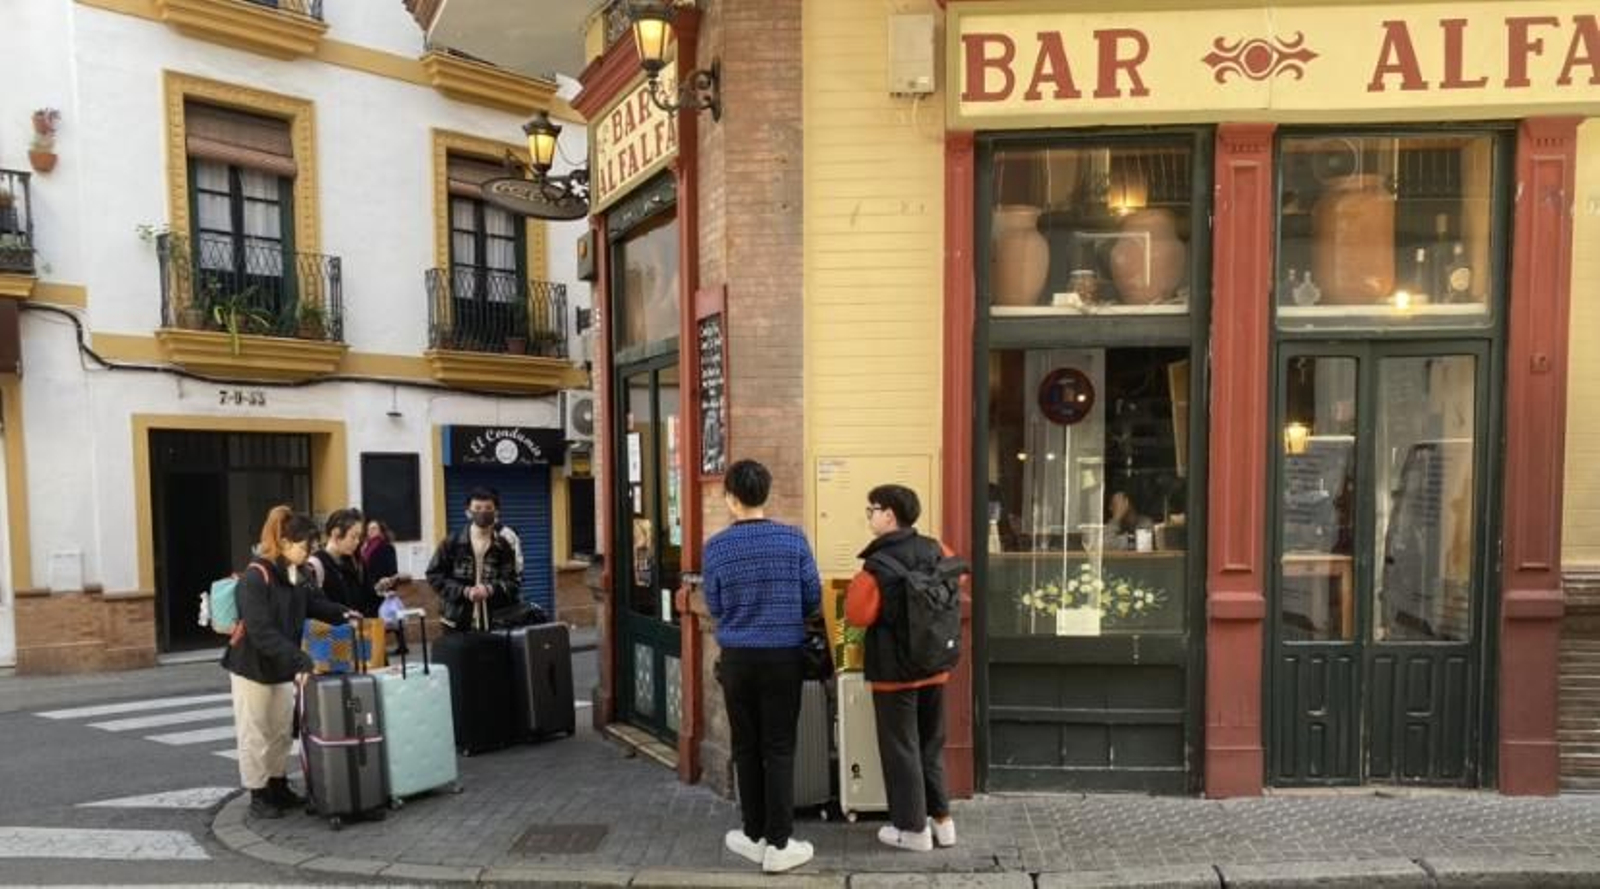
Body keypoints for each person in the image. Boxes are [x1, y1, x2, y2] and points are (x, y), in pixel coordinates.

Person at [702, 459, 821, 874]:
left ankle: (752, 834)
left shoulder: (716, 547)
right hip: (783, 657)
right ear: (767, 493)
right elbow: (812, 597)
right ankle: (780, 842)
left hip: (737, 660)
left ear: (731, 498)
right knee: (780, 748)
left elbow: (714, 605)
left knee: (745, 747)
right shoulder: (794, 540)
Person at [222, 505, 361, 819]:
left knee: (281, 731)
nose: (307, 552)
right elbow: (260, 631)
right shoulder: (255, 578)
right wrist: (299, 658)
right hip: (252, 667)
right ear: (283, 543)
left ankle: (278, 784)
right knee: (254, 732)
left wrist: (341, 612)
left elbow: (311, 603)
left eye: (309, 546)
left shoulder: (299, 573)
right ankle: (258, 793)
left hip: (283, 666)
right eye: (303, 546)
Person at [845, 484, 956, 852]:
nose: (869, 517)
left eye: (871, 510)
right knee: (930, 744)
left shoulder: (877, 565)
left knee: (901, 749)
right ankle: (943, 822)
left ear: (889, 514)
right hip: (935, 665)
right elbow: (958, 581)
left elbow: (857, 614)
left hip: (895, 674)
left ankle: (912, 831)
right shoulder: (937, 549)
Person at [426, 487, 521, 631]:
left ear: (496, 512)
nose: (483, 512)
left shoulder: (502, 544)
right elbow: (434, 575)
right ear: (468, 512)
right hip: (456, 621)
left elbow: (512, 581)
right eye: (477, 508)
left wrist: (489, 589)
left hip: (494, 621)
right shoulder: (453, 542)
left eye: (488, 508)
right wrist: (464, 591)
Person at [309, 508, 381, 617]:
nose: (357, 542)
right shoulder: (315, 565)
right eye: (353, 537)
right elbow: (313, 609)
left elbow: (368, 601)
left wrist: (381, 590)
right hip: (331, 633)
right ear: (336, 534)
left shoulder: (357, 563)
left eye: (359, 537)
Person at [360, 519, 405, 596]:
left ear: (380, 530)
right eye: (368, 529)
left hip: (383, 587)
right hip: (370, 588)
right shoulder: (365, 548)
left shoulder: (387, 547)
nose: (370, 531)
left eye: (374, 528)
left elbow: (392, 570)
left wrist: (391, 588)